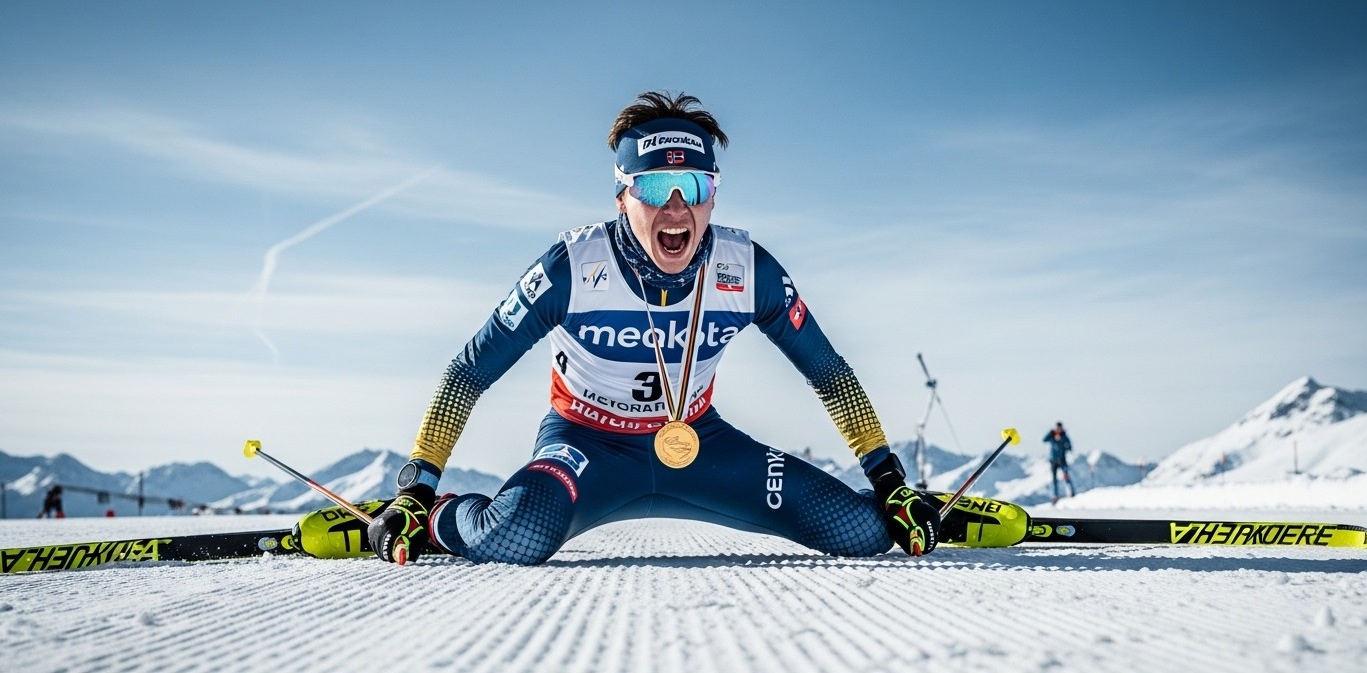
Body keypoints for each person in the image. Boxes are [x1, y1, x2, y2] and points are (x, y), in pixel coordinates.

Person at [346, 91, 1026, 566]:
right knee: (516, 536)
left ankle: (928, 509)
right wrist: (418, 486)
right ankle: (429, 522)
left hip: (697, 443)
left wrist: (889, 480)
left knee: (860, 531)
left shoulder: (745, 267)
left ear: (713, 194)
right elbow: (469, 371)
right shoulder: (571, 268)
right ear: (621, 196)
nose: (677, 210)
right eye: (653, 191)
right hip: (586, 444)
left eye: (695, 189)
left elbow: (831, 375)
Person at [1043, 422, 1077, 503]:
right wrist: (1050, 433)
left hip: (1062, 460)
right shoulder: (1052, 436)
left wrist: (1064, 447)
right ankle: (1055, 496)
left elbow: (1069, 446)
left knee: (1066, 476)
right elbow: (1044, 440)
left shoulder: (1064, 436)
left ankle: (1071, 492)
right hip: (1053, 460)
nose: (1058, 430)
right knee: (1054, 479)